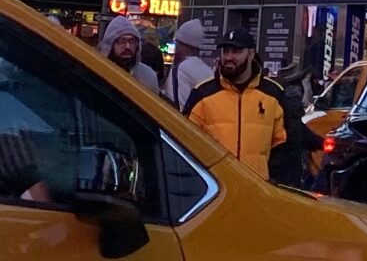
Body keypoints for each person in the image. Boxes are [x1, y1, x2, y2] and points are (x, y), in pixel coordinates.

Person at [183, 26, 288, 174]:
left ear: (251, 54)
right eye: (225, 51)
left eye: (236, 51)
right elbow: (186, 141)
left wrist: (273, 182)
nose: (228, 57)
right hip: (217, 184)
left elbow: (283, 145)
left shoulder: (273, 94)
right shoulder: (203, 94)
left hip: (257, 185)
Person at [99, 16, 161, 96]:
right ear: (110, 44)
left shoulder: (147, 76)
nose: (127, 46)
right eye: (121, 41)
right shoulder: (97, 70)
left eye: (132, 41)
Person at [164, 18, 216, 109]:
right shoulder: (208, 70)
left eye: (177, 43)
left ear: (182, 44)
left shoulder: (180, 70)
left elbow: (177, 108)